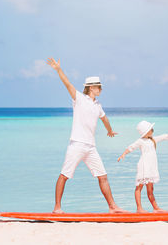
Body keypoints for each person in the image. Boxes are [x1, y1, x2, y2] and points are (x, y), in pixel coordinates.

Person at [46, 58, 127, 214]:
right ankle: (57, 208)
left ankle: (112, 207)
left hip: (91, 147)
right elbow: (67, 84)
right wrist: (58, 69)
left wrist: (109, 130)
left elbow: (104, 118)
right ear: (91, 88)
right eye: (99, 87)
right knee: (64, 175)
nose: (101, 90)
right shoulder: (79, 99)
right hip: (76, 144)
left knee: (102, 176)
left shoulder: (98, 105)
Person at [118, 120, 168, 213]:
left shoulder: (153, 139)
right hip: (143, 166)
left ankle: (156, 208)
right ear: (146, 131)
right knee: (139, 187)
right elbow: (131, 147)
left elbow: (164, 136)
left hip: (151, 167)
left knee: (150, 188)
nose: (153, 130)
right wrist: (123, 154)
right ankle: (139, 208)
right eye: (151, 129)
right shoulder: (140, 141)